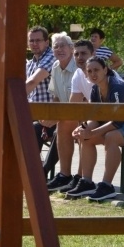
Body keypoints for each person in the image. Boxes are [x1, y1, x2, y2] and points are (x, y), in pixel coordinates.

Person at [67, 56, 124, 200]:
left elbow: (118, 121)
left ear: (106, 69)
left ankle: (106, 186)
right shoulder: (95, 90)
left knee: (111, 137)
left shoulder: (117, 86)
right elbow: (95, 118)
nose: (93, 74)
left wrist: (92, 132)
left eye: (96, 70)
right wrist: (83, 129)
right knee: (86, 138)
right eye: (89, 71)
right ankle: (87, 182)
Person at [46, 39, 93, 193]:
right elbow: (71, 104)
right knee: (64, 122)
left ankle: (81, 178)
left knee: (81, 125)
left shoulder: (96, 70)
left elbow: (91, 103)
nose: (80, 57)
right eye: (77, 54)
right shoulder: (78, 73)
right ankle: (64, 175)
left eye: (84, 54)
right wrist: (52, 117)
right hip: (81, 113)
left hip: (108, 117)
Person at [40, 33, 76, 179]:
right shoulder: (55, 67)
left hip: (80, 115)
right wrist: (50, 116)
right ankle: (31, 170)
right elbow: (55, 96)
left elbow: (82, 102)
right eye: (56, 47)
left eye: (63, 46)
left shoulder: (78, 68)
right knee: (32, 128)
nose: (59, 49)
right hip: (62, 115)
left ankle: (60, 174)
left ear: (71, 48)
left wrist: (56, 118)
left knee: (61, 126)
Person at [26, 25, 56, 154]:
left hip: (50, 114)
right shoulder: (31, 62)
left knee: (30, 130)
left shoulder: (51, 56)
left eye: (38, 40)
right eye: (31, 41)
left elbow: (32, 82)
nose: (34, 44)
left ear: (47, 42)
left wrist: (11, 101)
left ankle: (33, 170)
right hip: (35, 113)